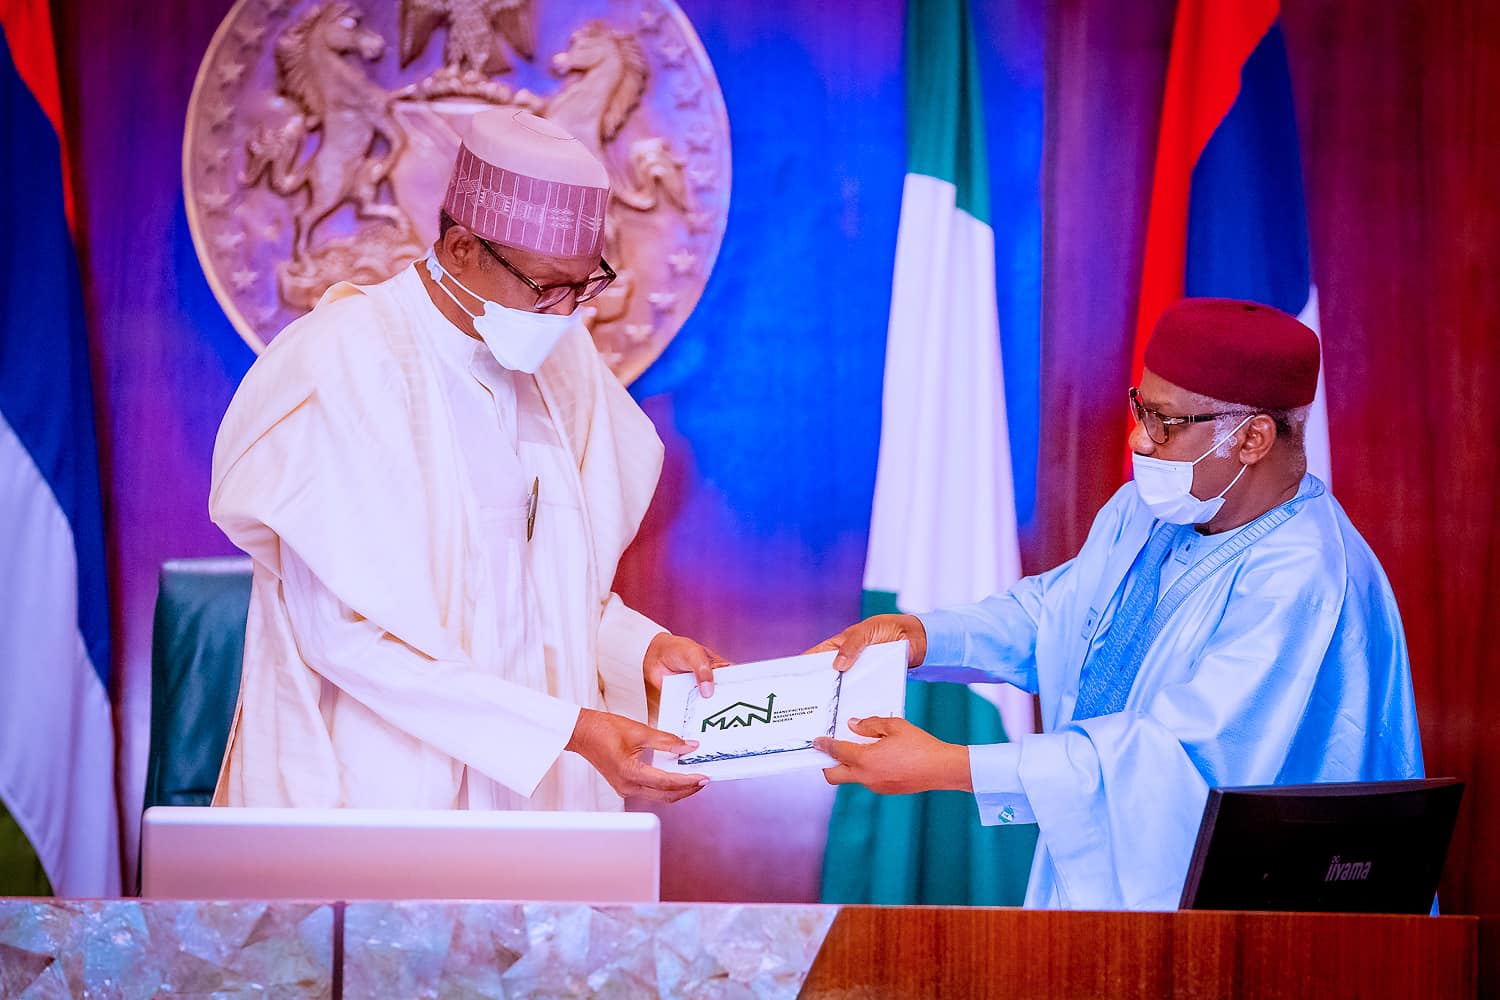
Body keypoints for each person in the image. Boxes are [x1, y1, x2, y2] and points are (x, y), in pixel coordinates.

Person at [809, 298, 1424, 910]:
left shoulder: (1304, 577)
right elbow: (1057, 617)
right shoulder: (1153, 510)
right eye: (1141, 408)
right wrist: (920, 637)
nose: (1139, 439)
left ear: (1252, 438)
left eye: (1165, 421)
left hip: (1240, 918)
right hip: (1107, 886)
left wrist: (952, 766)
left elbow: (1179, 758)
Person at [209, 109, 722, 811]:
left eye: (583, 286)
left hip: (541, 787)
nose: (565, 315)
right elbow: (345, 636)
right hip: (382, 791)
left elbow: (547, 594)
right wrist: (568, 730)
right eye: (545, 287)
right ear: (459, 248)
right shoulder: (344, 359)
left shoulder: (561, 363)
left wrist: (641, 651)